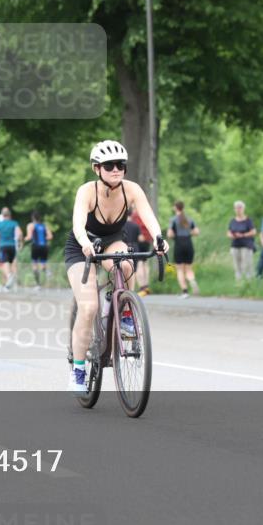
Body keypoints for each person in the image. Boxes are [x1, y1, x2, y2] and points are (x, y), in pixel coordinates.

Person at [65, 140, 167, 393]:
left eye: (121, 165)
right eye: (109, 165)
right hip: (82, 246)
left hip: (112, 241)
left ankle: (124, 311)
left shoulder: (131, 189)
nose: (116, 170)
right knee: (88, 308)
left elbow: (148, 216)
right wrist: (86, 243)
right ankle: (78, 369)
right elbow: (78, 223)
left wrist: (158, 239)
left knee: (126, 264)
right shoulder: (87, 191)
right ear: (96, 168)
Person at [168, 201, 200, 297]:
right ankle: (192, 281)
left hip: (179, 244)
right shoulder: (189, 219)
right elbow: (197, 232)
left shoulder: (173, 220)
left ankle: (185, 291)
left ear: (175, 208)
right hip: (189, 244)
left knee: (180, 270)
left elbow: (170, 234)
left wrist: (174, 235)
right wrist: (189, 233)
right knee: (189, 269)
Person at [0, 207, 23, 291]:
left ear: (2, 215)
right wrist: (20, 244)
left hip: (3, 246)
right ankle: (9, 286)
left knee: (4, 263)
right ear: (10, 215)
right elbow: (19, 234)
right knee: (12, 264)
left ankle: (9, 276)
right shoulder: (14, 223)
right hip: (13, 246)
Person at [227, 201, 256, 284]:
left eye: (240, 208)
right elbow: (228, 232)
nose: (238, 209)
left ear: (243, 209)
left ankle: (249, 283)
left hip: (246, 245)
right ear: (234, 209)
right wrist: (231, 235)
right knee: (237, 266)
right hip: (235, 245)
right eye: (237, 208)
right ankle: (239, 283)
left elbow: (253, 231)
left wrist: (243, 235)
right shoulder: (232, 220)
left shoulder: (248, 220)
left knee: (246, 265)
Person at [128, 207, 153, 296]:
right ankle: (146, 285)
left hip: (134, 243)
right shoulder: (146, 212)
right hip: (147, 240)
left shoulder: (135, 216)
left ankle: (142, 286)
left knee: (138, 265)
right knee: (145, 263)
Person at [25, 211, 53, 289]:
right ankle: (47, 271)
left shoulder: (31, 225)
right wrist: (44, 239)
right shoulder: (44, 226)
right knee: (43, 264)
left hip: (35, 247)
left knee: (35, 265)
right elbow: (50, 236)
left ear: (32, 218)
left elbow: (29, 237)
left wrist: (25, 239)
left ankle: (38, 285)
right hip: (44, 246)